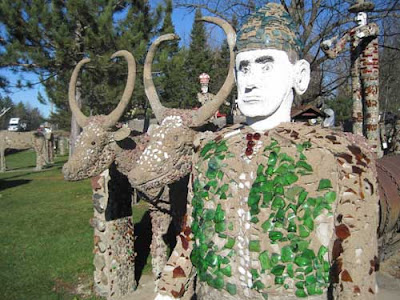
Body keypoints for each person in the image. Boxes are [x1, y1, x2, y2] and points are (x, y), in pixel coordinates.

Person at [154, 3, 379, 300]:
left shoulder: (342, 157)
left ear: (299, 75)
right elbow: (190, 238)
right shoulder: (210, 152)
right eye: (244, 67)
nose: (251, 80)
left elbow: (355, 268)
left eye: (266, 65)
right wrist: (168, 293)